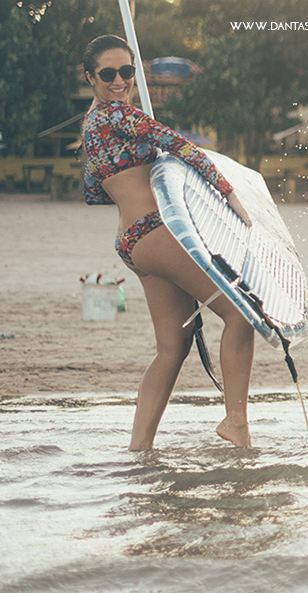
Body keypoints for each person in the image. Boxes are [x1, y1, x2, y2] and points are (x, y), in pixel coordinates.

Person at [80, 35, 256, 450]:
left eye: (127, 71)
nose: (120, 80)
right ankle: (236, 423)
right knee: (240, 316)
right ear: (91, 77)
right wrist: (226, 190)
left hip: (131, 240)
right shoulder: (118, 116)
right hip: (155, 233)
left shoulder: (91, 125)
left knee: (172, 347)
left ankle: (139, 449)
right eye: (108, 73)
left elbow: (93, 191)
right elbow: (179, 144)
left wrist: (141, 166)